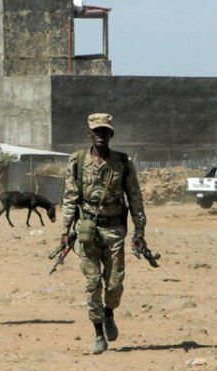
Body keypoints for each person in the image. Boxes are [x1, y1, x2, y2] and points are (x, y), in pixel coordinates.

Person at [60, 113, 147, 354]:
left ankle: (109, 312)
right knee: (92, 283)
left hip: (115, 230)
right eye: (96, 131)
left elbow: (135, 197)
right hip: (88, 230)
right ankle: (98, 334)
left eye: (105, 131)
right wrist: (65, 232)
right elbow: (69, 199)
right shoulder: (77, 161)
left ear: (110, 135)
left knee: (115, 284)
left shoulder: (122, 163)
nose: (100, 136)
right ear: (90, 134)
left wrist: (139, 231)